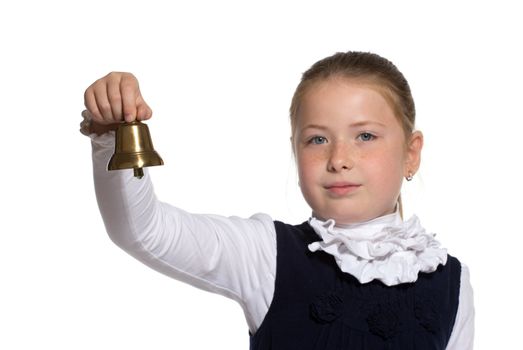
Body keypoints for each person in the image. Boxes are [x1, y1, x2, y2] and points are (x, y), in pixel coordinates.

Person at [81, 51, 474, 349]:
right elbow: (143, 231)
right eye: (317, 139)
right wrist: (113, 133)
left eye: (365, 136)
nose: (339, 160)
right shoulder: (267, 254)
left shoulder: (451, 282)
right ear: (295, 149)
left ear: (411, 152)